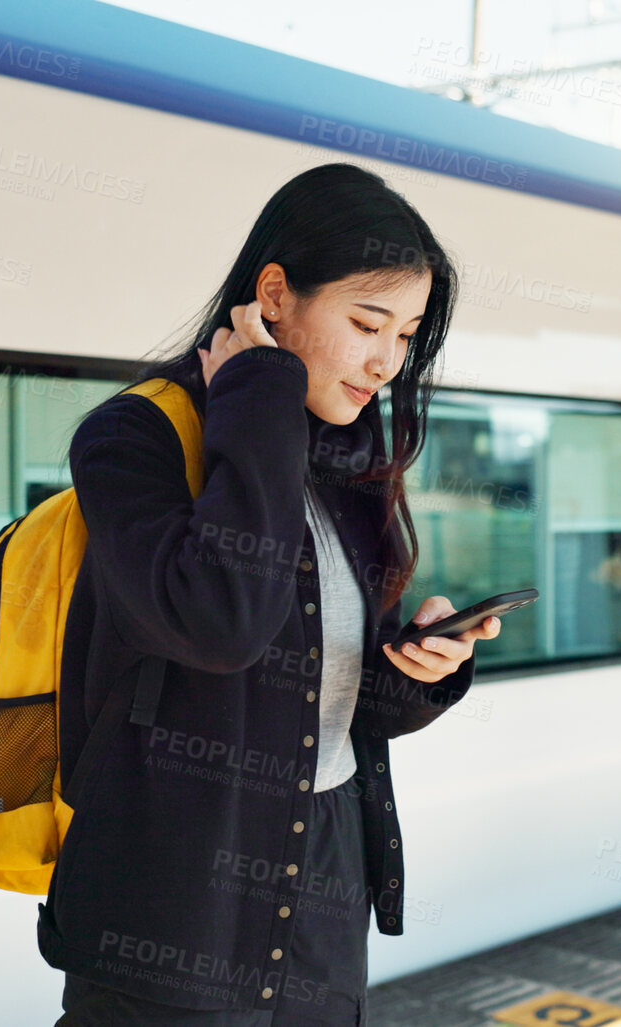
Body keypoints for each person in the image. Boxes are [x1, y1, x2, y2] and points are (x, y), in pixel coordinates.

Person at [41, 163, 500, 1025]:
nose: (385, 362)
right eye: (367, 323)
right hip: (173, 901)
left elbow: (332, 703)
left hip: (323, 880)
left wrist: (424, 668)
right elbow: (220, 624)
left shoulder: (342, 460)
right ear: (275, 293)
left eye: (404, 336)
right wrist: (258, 401)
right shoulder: (133, 437)